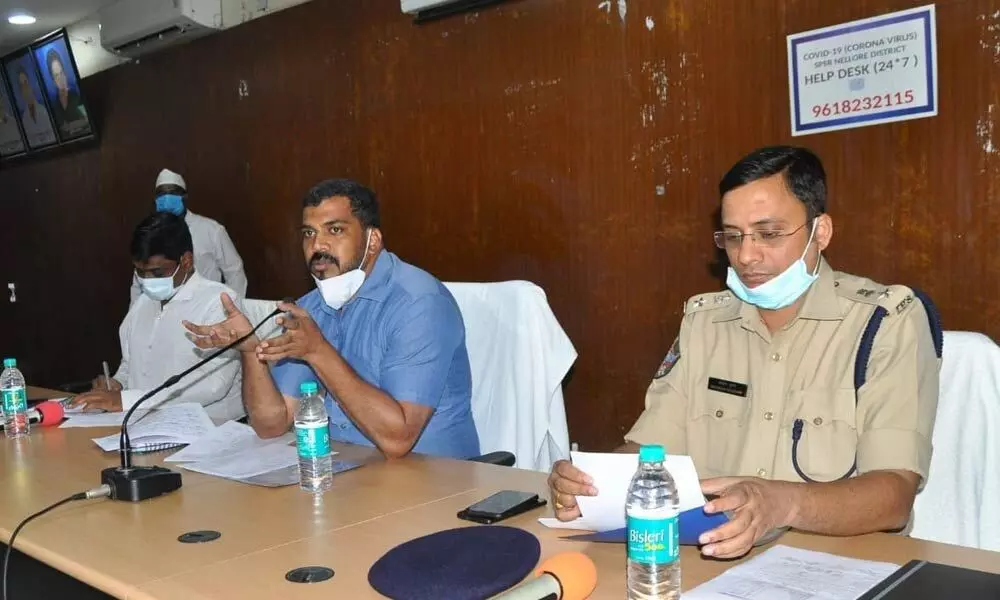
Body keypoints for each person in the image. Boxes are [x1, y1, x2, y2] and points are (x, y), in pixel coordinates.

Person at [547, 145, 940, 559]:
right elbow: (651, 451)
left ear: (819, 232)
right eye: (732, 237)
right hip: (713, 557)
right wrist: (590, 483)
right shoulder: (704, 323)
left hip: (838, 564)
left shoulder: (885, 322)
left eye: (768, 234)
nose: (746, 255)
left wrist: (780, 503)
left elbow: (895, 494)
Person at [184, 178, 481, 459]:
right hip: (347, 471)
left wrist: (317, 351)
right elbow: (272, 424)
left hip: (433, 479)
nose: (318, 246)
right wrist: (250, 352)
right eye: (309, 233)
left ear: (372, 240)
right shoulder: (310, 307)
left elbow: (398, 438)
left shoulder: (419, 303)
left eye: (335, 230)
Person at [72, 213, 244, 421]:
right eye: (140, 272)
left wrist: (126, 400)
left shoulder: (219, 302)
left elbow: (212, 385)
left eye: (157, 272)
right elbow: (131, 365)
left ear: (186, 261)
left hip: (208, 430)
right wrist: (116, 384)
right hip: (143, 424)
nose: (147, 280)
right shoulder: (143, 304)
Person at [130, 169, 247, 304]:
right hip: (162, 312)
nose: (167, 198)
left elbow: (234, 272)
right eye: (162, 193)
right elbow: (138, 282)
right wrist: (134, 316)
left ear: (184, 197)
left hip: (205, 308)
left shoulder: (211, 230)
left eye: (173, 192)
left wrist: (231, 308)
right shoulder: (150, 234)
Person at [44, 48, 88, 137]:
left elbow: (87, 119)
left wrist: (70, 126)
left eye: (61, 73)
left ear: (64, 72)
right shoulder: (53, 104)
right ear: (53, 80)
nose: (60, 78)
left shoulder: (77, 94)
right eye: (56, 75)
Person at [14, 66, 56, 147]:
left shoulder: (45, 108)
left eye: (26, 83)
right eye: (21, 86)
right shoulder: (23, 118)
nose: (25, 88)